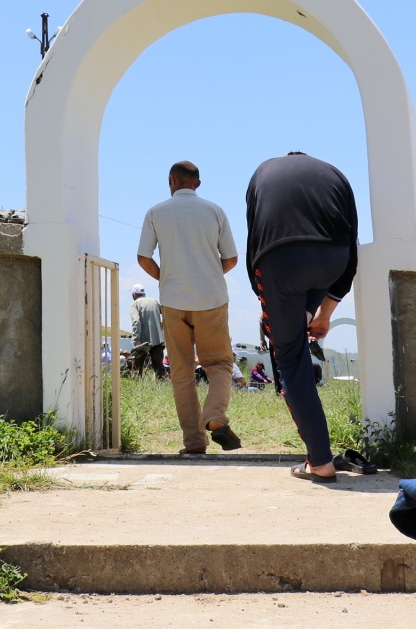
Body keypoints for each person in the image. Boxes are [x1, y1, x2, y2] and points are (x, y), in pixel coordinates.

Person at [245, 152, 359, 482]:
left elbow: (255, 239)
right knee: (304, 315)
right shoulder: (335, 172)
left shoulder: (261, 172)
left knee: (290, 358)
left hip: (280, 261)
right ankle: (306, 316)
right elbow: (350, 250)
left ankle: (320, 462)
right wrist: (324, 315)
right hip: (332, 259)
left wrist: (268, 306)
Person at [138, 160, 241, 454]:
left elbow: (143, 257)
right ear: (198, 183)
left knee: (182, 373)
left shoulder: (156, 212)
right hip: (212, 300)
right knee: (220, 364)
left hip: (173, 302)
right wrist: (207, 274)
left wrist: (167, 278)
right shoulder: (214, 211)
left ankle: (194, 443)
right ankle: (215, 417)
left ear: (172, 180)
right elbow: (231, 258)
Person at [127, 284, 166, 379]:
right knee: (159, 367)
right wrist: (161, 329)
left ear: (134, 294)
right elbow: (166, 315)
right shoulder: (155, 302)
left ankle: (137, 389)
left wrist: (136, 341)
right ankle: (161, 388)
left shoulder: (135, 304)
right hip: (157, 339)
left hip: (142, 341)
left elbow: (136, 322)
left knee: (137, 368)